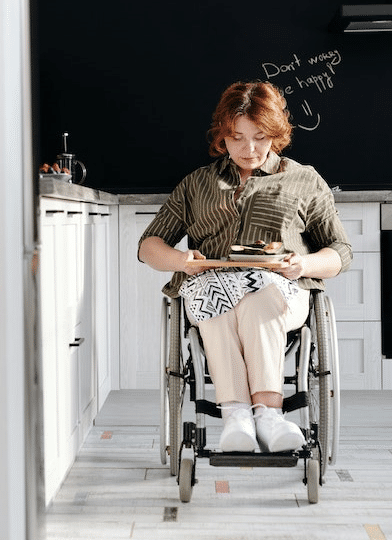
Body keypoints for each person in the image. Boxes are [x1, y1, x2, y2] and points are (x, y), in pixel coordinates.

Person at [138, 81, 352, 453]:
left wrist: (303, 263)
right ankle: (237, 416)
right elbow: (148, 246)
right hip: (210, 286)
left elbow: (340, 251)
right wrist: (180, 260)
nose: (248, 149)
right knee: (216, 299)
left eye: (259, 137)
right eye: (236, 138)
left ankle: (267, 415)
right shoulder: (197, 184)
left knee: (256, 297)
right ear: (223, 136)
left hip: (281, 290)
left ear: (276, 134)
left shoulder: (303, 180)